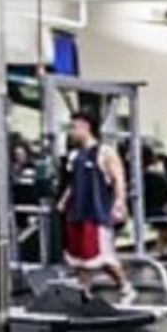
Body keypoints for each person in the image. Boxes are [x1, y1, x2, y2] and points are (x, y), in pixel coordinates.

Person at [56, 110, 132, 301]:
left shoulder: (105, 152)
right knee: (80, 258)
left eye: (74, 127)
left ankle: (125, 287)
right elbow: (74, 183)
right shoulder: (75, 155)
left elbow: (119, 178)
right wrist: (64, 200)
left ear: (86, 127)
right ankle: (85, 294)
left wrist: (120, 202)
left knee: (102, 256)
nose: (71, 132)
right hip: (77, 212)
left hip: (97, 212)